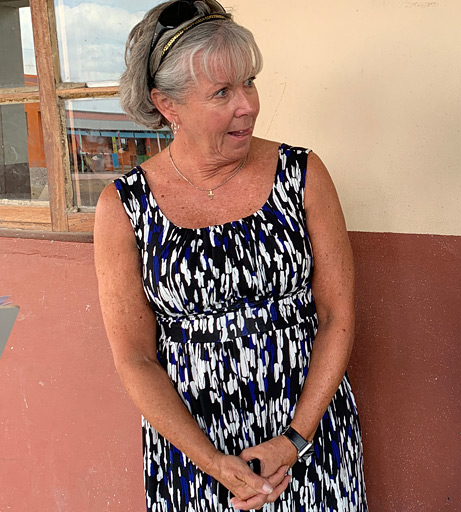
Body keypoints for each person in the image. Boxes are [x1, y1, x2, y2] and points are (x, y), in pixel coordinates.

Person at [93, 1, 366, 510]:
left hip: (309, 438)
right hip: (195, 454)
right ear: (167, 105)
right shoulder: (123, 207)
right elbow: (135, 358)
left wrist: (295, 440)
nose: (248, 105)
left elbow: (337, 316)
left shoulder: (302, 174)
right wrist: (214, 463)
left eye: (250, 82)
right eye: (222, 92)